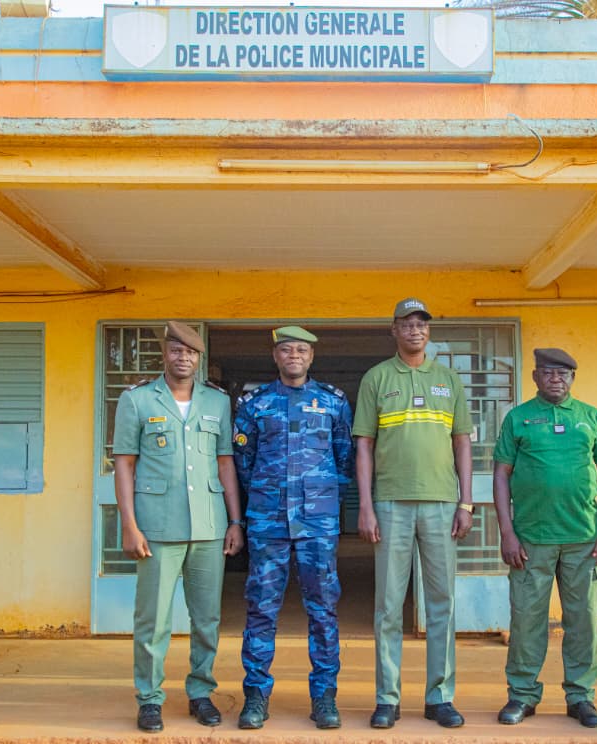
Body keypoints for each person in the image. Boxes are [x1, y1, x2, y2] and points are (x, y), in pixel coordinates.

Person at [112, 321, 245, 733]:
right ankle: (150, 698)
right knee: (153, 620)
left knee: (207, 619)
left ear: (199, 358)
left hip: (208, 524)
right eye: (175, 350)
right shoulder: (136, 400)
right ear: (165, 355)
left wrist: (235, 520)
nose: (182, 357)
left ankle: (200, 692)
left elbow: (226, 463)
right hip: (156, 527)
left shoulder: (217, 402)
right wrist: (129, 525)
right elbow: (124, 464)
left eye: (189, 352)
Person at [353, 298, 475, 730]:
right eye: (407, 323)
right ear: (394, 330)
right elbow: (364, 444)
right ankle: (387, 699)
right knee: (388, 606)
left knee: (441, 602)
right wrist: (366, 505)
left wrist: (466, 500)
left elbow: (462, 442)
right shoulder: (377, 378)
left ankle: (440, 697)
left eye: (421, 323)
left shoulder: (448, 380)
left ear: (429, 331)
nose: (415, 330)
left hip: (443, 503)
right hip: (390, 504)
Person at [233, 326, 354, 730]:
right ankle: (255, 696)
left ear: (312, 356)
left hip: (318, 523)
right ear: (275, 356)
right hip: (268, 522)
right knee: (261, 608)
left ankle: (324, 697)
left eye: (302, 349)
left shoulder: (333, 403)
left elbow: (343, 460)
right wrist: (268, 497)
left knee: (323, 610)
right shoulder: (255, 404)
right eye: (287, 349)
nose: (294, 355)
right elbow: (243, 462)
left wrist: (318, 499)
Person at [492, 347, 597, 730]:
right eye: (548, 372)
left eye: (563, 374)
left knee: (582, 621)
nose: (555, 379)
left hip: (584, 539)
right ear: (535, 377)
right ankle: (522, 695)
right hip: (531, 541)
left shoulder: (591, 418)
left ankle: (581, 697)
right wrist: (508, 532)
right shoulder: (518, 419)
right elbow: (501, 476)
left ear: (572, 379)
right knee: (527, 620)